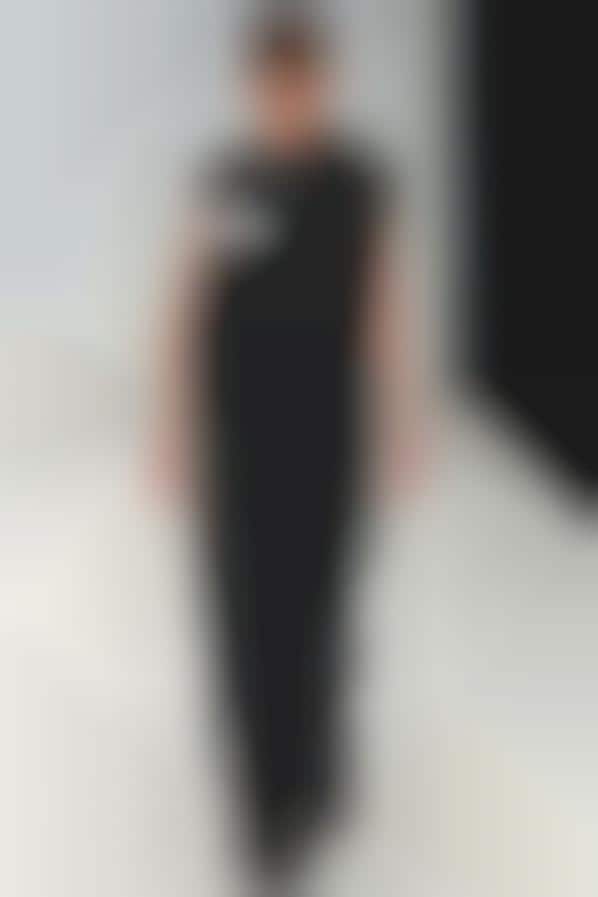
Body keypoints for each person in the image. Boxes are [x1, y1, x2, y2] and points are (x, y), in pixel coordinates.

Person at [150, 12, 425, 892]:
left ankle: (315, 778)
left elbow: (382, 308)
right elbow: (188, 309)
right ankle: (267, 808)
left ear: (324, 87)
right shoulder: (227, 183)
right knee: (248, 619)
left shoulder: (359, 186)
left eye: (303, 85)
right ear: (254, 91)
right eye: (273, 86)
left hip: (327, 434)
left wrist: (402, 423)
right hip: (242, 439)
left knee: (319, 610)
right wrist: (172, 430)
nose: (288, 102)